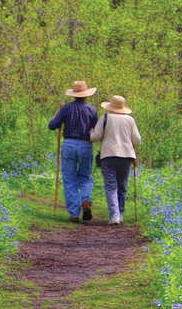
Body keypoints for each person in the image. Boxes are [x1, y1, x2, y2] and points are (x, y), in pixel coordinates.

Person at [48, 80, 100, 223]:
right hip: (85, 144)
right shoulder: (91, 110)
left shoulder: (66, 108)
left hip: (69, 144)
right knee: (85, 177)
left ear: (74, 95)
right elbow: (96, 129)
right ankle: (85, 200)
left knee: (69, 178)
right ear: (86, 95)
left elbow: (52, 126)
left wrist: (58, 113)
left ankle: (74, 214)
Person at [90, 95, 141, 225]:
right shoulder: (130, 120)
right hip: (127, 155)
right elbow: (137, 141)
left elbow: (95, 137)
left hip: (108, 155)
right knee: (122, 186)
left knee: (111, 186)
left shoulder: (105, 118)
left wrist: (91, 132)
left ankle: (114, 216)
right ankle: (121, 214)